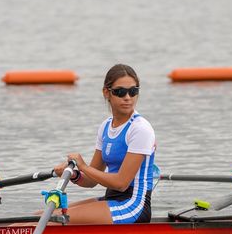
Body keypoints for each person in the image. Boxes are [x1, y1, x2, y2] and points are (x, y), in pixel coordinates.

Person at [53, 63, 156, 224]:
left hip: (133, 206)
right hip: (112, 199)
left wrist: (83, 166)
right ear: (106, 93)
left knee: (53, 220)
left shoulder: (140, 128)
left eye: (133, 91)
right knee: (41, 214)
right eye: (120, 92)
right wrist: (75, 175)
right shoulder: (106, 126)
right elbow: (91, 180)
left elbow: (121, 184)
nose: (128, 97)